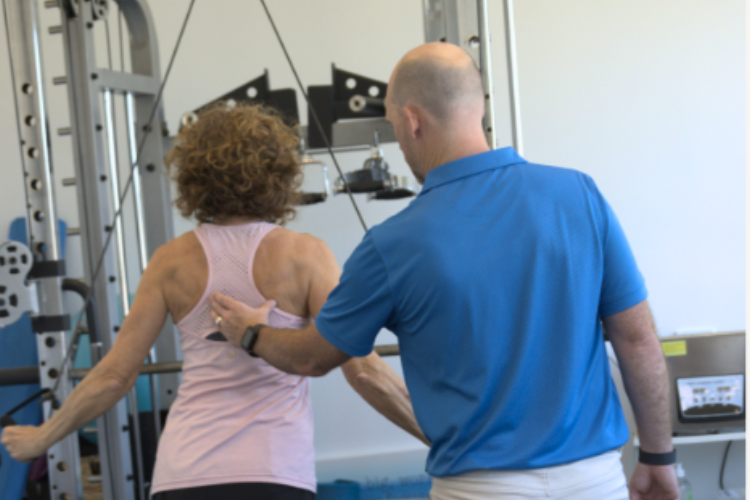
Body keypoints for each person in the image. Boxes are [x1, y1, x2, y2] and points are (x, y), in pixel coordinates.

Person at [208, 43, 680, 500]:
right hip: (595, 482)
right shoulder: (578, 195)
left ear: (412, 120)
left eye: (394, 125)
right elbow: (637, 338)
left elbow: (312, 358)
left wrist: (251, 332)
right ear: (475, 107)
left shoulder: (393, 244)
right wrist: (659, 457)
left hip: (479, 490)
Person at [1, 103, 426, 500]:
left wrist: (42, 436)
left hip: (184, 473)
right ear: (279, 173)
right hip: (273, 472)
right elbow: (365, 371)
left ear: (194, 176)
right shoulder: (305, 255)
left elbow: (114, 376)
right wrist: (442, 441)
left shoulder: (170, 260)